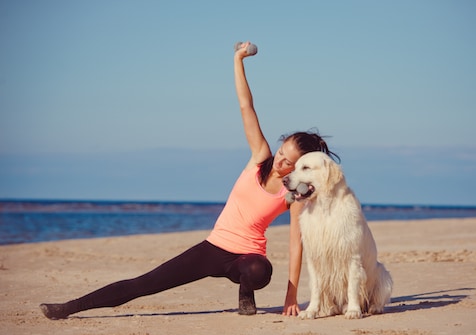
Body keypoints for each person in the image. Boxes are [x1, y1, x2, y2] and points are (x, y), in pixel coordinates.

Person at [40, 42, 340, 320]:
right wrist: (238, 60)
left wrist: (291, 297)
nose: (280, 161)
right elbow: (246, 106)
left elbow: (295, 245)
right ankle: (68, 308)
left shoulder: (296, 196)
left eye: (289, 162)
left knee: (259, 270)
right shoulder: (260, 158)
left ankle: (246, 293)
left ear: (300, 166)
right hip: (213, 248)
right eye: (281, 152)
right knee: (144, 283)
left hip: (247, 259)